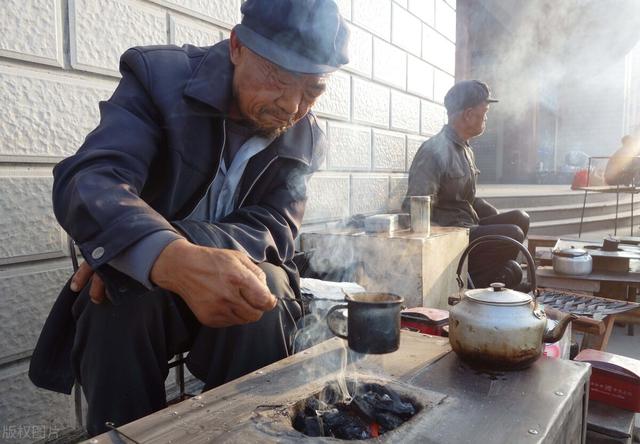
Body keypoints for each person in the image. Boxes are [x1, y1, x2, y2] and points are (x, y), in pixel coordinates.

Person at [29, 0, 349, 435]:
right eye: (278, 75)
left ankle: (252, 434)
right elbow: (92, 177)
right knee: (118, 297)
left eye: (313, 90)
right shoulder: (159, 79)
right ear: (237, 46)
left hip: (226, 281)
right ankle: (121, 432)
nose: (292, 107)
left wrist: (173, 242)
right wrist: (162, 260)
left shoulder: (305, 135)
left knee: (265, 294)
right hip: (150, 289)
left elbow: (277, 228)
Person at [403, 80, 530, 289]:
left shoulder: (464, 149)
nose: (486, 118)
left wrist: (483, 207)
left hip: (467, 226)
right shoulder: (434, 151)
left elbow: (460, 196)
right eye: (485, 112)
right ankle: (470, 286)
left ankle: (497, 277)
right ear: (468, 114)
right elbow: (416, 207)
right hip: (451, 237)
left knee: (520, 218)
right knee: (512, 234)